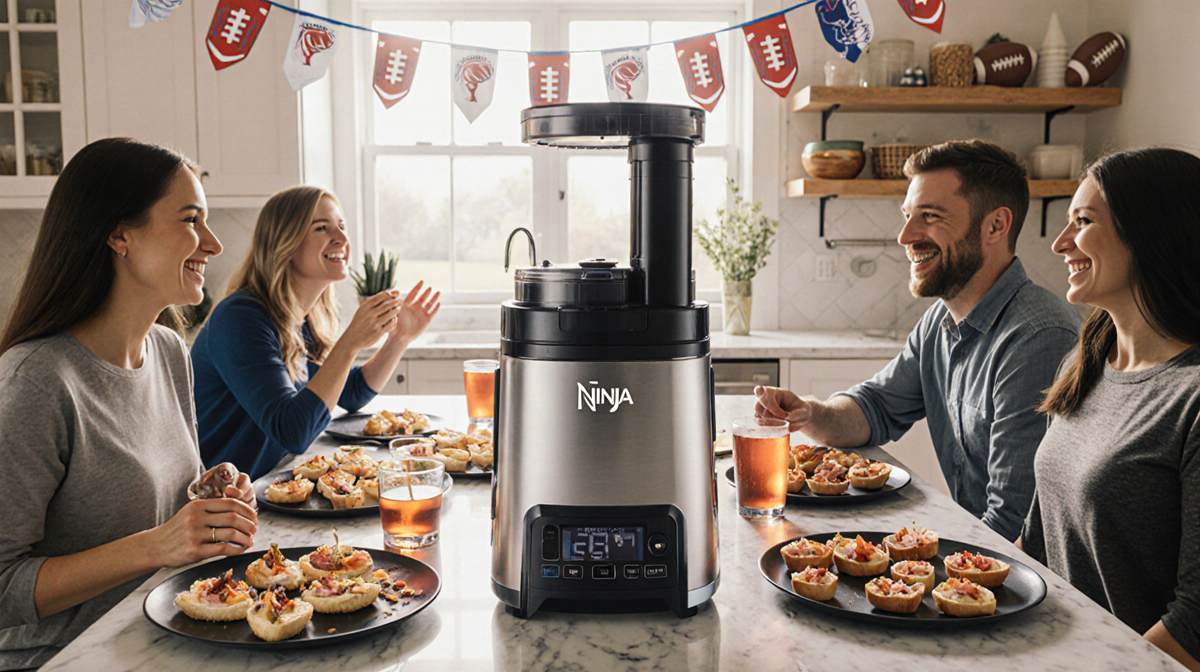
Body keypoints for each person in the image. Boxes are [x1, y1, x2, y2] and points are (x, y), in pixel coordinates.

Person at [0, 138, 258, 670]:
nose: (213, 243)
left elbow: (152, 499)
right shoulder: (37, 380)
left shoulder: (167, 350)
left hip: (165, 639)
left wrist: (209, 489)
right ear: (119, 234)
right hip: (66, 659)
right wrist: (158, 546)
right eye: (191, 219)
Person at [756, 140, 1080, 540]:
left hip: (1013, 576)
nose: (905, 235)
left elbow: (1015, 525)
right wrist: (809, 413)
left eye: (930, 216)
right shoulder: (940, 323)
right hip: (977, 555)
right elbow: (874, 409)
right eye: (909, 216)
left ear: (996, 225)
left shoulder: (1037, 337)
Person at [1018, 148, 1200, 670]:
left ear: (1152, 233)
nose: (1060, 243)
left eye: (1083, 221)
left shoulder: (1191, 399)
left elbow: (1194, 629)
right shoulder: (1086, 361)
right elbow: (1037, 544)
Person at [191, 186, 439, 479]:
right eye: (322, 228)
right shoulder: (241, 319)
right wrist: (349, 344)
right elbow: (292, 431)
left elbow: (349, 391)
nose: (342, 239)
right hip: (219, 507)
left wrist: (399, 339)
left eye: (342, 227)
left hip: (263, 489)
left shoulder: (297, 317)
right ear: (285, 242)